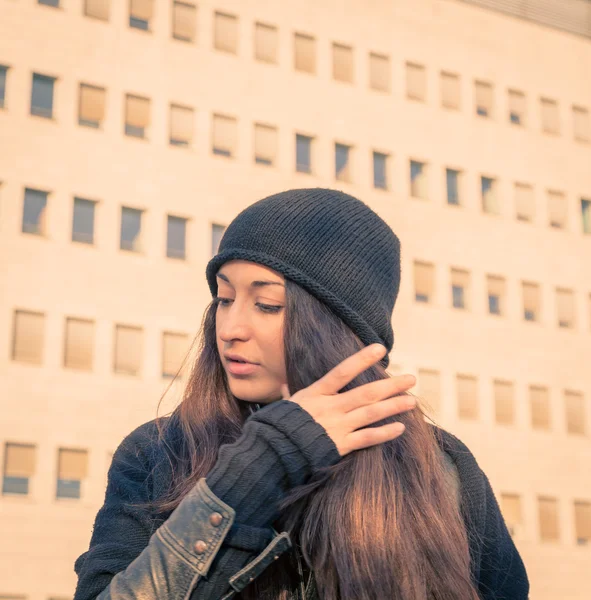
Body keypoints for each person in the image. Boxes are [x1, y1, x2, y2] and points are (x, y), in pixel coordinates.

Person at [73, 188, 529, 600]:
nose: (230, 329)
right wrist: (258, 466)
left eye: (267, 304)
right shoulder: (159, 451)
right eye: (224, 298)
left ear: (336, 329)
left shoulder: (440, 467)